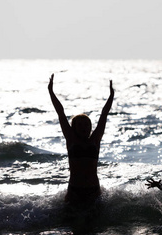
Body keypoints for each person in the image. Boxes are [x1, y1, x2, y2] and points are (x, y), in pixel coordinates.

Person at [48, 74, 114, 205]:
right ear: (74, 127)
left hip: (93, 190)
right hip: (74, 191)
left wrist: (111, 95)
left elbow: (104, 114)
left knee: (94, 224)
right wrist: (51, 91)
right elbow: (60, 113)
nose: (84, 128)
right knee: (72, 224)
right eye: (80, 125)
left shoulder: (95, 140)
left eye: (87, 125)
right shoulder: (71, 139)